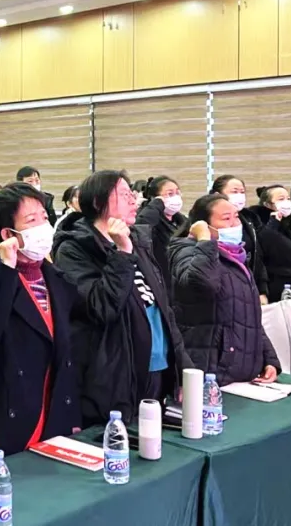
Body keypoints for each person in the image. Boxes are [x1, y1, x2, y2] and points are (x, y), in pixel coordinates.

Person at [52, 171, 190, 424]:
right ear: (98, 202)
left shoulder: (137, 239)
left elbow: (162, 307)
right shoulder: (73, 249)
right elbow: (101, 307)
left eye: (132, 194)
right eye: (124, 194)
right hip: (115, 375)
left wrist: (182, 367)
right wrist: (122, 253)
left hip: (157, 365)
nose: (133, 200)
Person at [0, 183, 81, 468]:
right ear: (8, 234)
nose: (43, 227)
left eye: (44, 217)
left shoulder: (57, 279)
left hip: (53, 409)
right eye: (32, 220)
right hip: (6, 413)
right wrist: (6, 268)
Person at [169, 194, 281, 386]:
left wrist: (268, 359)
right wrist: (205, 240)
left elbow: (249, 315)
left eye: (236, 217)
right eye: (226, 218)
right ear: (204, 225)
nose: (234, 224)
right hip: (210, 372)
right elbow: (203, 283)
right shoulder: (186, 251)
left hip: (244, 375)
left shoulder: (237, 257)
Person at [210, 175, 269, 303]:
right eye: (234, 192)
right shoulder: (208, 221)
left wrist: (262, 290)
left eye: (242, 192)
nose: (240, 196)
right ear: (217, 195)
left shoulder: (248, 219)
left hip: (249, 288)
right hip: (222, 292)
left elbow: (257, 256)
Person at [252, 185, 291, 302]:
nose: (286, 202)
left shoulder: (289, 225)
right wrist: (273, 223)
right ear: (268, 204)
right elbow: (264, 246)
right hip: (273, 287)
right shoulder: (260, 224)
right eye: (281, 199)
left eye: (288, 199)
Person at [135, 175, 186, 289]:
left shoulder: (182, 220)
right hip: (160, 280)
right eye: (170, 194)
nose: (176, 197)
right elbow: (142, 226)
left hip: (179, 279)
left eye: (177, 193)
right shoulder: (149, 218)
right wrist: (156, 205)